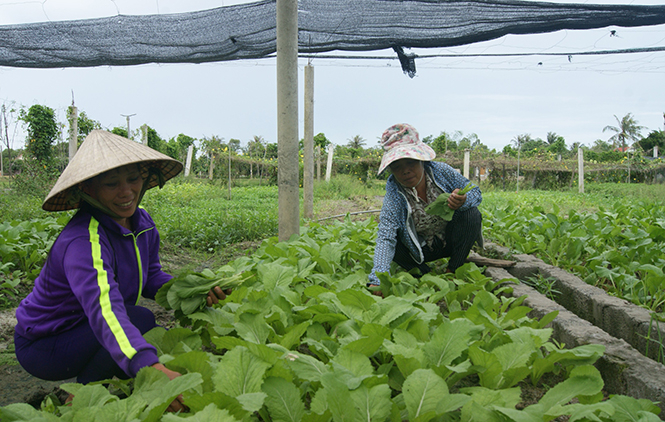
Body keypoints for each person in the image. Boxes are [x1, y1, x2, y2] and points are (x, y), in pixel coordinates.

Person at [14, 130, 225, 411]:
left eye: (133, 179)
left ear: (146, 177)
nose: (126, 191)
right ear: (87, 189)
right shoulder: (83, 241)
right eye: (112, 183)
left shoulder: (141, 222)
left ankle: (83, 395)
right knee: (138, 320)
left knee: (140, 321)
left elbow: (150, 276)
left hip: (81, 328)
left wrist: (194, 289)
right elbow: (106, 311)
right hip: (45, 344)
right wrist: (152, 369)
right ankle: (82, 402)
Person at [368, 123, 483, 286]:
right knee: (393, 243)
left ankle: (453, 268)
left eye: (410, 162)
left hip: (449, 239)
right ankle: (422, 273)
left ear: (421, 159)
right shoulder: (394, 193)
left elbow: (475, 192)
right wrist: (378, 278)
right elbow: (386, 236)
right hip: (419, 249)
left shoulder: (440, 171)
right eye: (397, 166)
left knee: (472, 214)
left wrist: (463, 201)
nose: (405, 171)